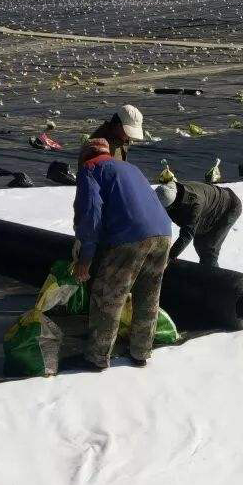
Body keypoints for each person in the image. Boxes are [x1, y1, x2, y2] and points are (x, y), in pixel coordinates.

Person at [73, 138, 171, 369]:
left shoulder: (91, 169)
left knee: (108, 296)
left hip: (130, 237)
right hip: (163, 233)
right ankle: (140, 352)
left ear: (85, 156)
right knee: (148, 296)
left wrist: (85, 258)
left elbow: (91, 215)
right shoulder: (130, 168)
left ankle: (97, 358)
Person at [155, 180, 241, 268]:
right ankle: (205, 271)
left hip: (229, 206)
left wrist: (170, 256)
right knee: (199, 244)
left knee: (208, 249)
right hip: (210, 205)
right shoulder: (164, 190)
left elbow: (187, 235)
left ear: (172, 204)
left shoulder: (194, 206)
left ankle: (213, 278)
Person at [80, 104, 144, 165]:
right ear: (118, 125)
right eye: (128, 132)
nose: (129, 136)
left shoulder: (120, 138)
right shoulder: (97, 145)